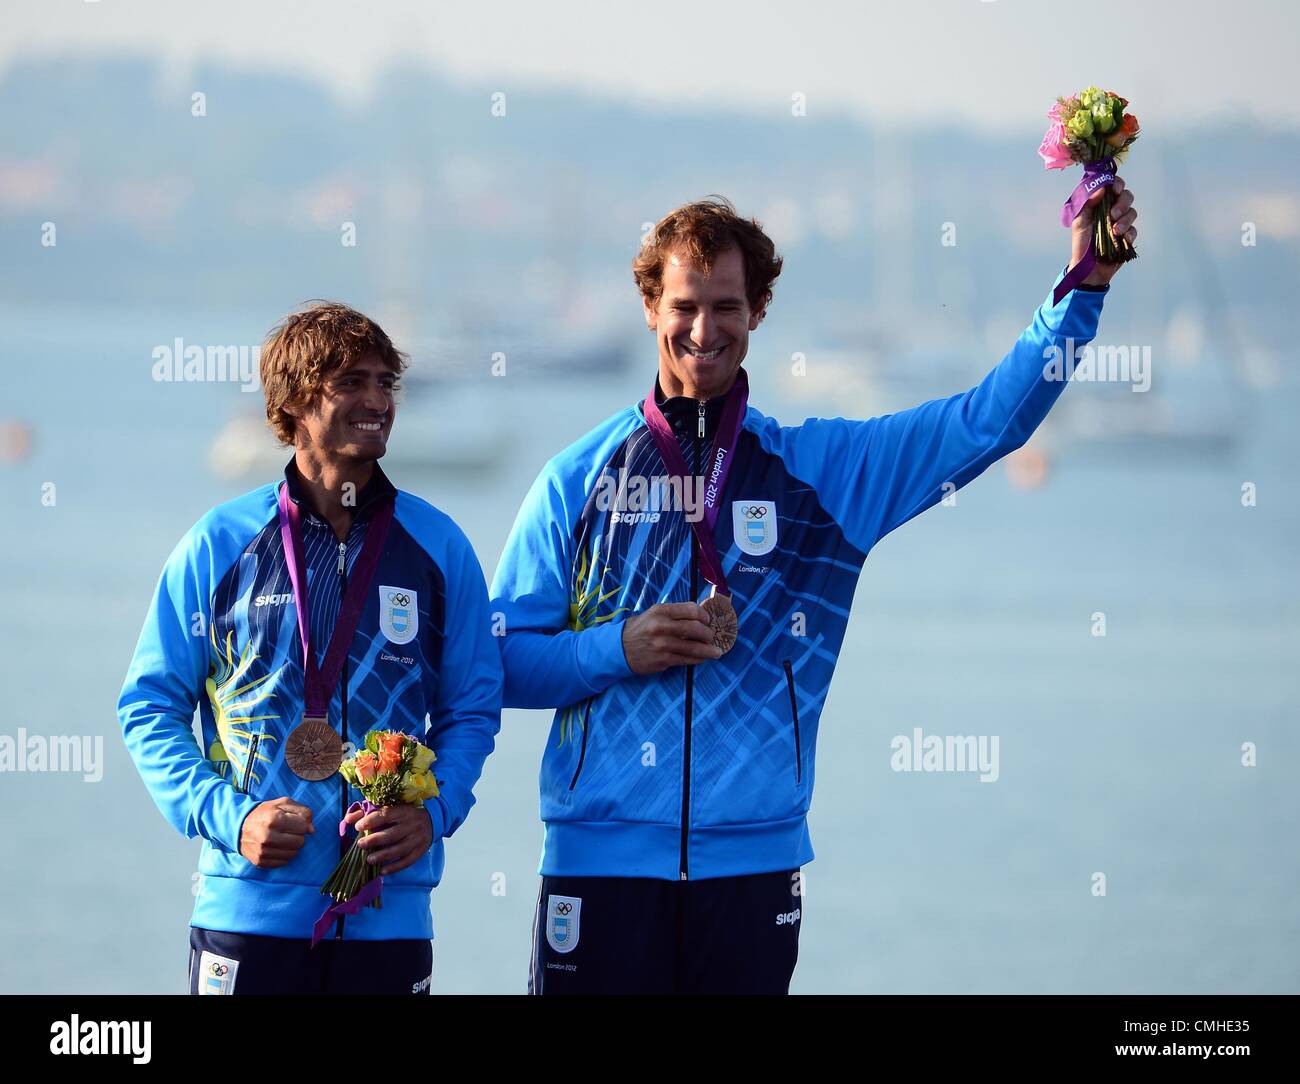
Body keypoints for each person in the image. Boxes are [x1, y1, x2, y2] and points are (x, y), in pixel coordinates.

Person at [491, 185, 1137, 994]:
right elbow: (500, 666)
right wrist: (618, 648)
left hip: (752, 868)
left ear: (759, 310)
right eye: (685, 305)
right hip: (600, 864)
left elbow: (986, 422)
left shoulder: (824, 476)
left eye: (727, 306)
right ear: (650, 304)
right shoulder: (577, 480)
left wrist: (1085, 286)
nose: (704, 329)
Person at [118, 302, 502, 994]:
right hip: (249, 910)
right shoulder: (218, 545)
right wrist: (231, 819)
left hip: (389, 913)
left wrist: (434, 813)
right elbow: (149, 706)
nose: (377, 401)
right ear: (295, 402)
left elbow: (471, 708)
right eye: (351, 382)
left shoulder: (439, 547)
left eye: (387, 383)